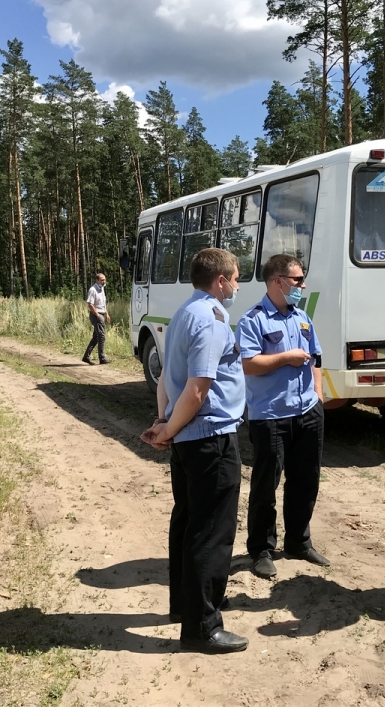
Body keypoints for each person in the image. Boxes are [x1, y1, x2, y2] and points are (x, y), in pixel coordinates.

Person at [141, 248, 248, 654]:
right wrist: (169, 426)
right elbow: (198, 388)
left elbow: (167, 377)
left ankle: (184, 606)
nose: (237, 286)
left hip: (189, 438)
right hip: (210, 438)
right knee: (211, 533)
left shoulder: (184, 313)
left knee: (187, 523)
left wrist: (163, 421)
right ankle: (202, 626)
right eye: (235, 278)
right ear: (220, 280)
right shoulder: (212, 319)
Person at [234, 254, 328, 579]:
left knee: (306, 481)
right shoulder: (253, 320)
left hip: (307, 412)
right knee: (266, 485)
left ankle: (299, 542)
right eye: (298, 280)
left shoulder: (302, 317)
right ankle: (261, 548)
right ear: (278, 281)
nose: (303, 285)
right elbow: (247, 363)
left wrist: (317, 395)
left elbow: (316, 357)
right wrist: (285, 357)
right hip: (270, 416)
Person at [82, 273, 111, 365]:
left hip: (101, 313)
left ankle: (86, 357)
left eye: (104, 280)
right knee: (101, 336)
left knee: (96, 337)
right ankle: (102, 358)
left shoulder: (102, 289)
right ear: (97, 280)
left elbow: (103, 303)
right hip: (96, 315)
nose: (104, 282)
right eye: (102, 280)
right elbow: (90, 304)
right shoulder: (93, 290)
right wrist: (97, 315)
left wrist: (106, 314)